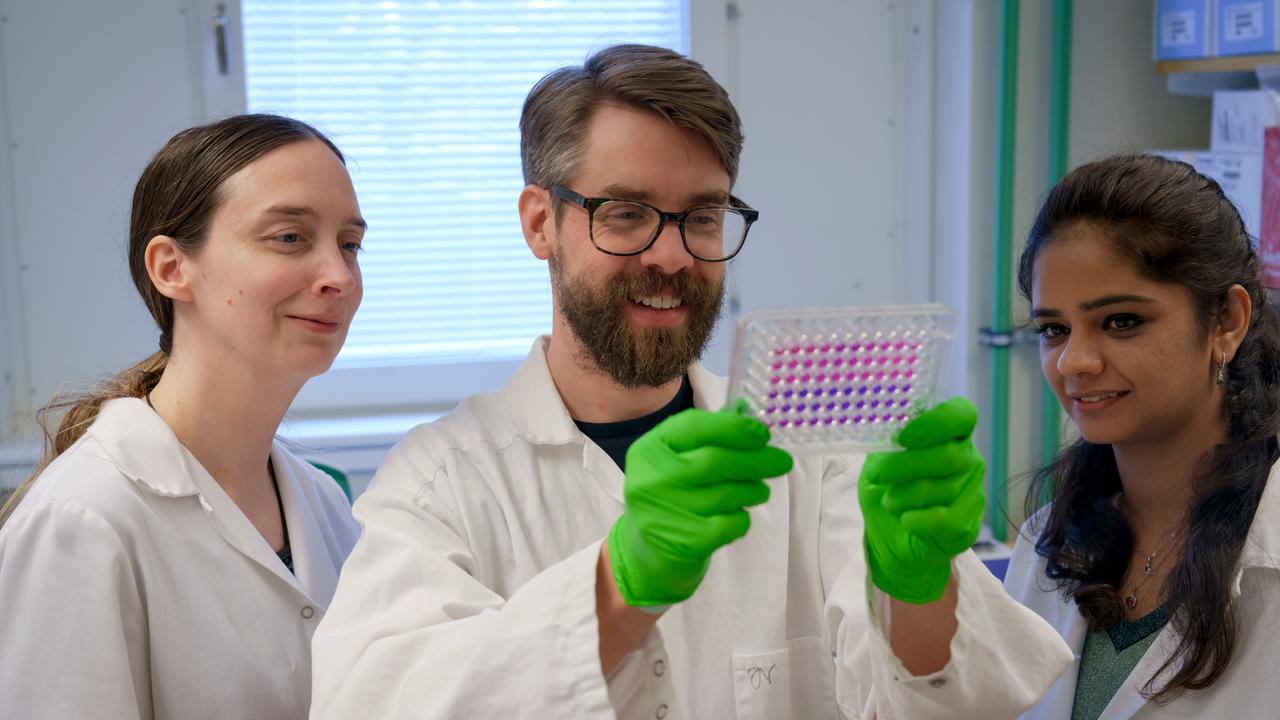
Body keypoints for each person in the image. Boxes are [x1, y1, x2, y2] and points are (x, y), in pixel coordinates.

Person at [312, 44, 1070, 719]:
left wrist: (917, 583)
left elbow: (949, 700)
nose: (671, 256)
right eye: (628, 213)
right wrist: (618, 585)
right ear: (541, 222)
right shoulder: (440, 481)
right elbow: (371, 700)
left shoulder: (811, 453)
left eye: (701, 217)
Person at [0, 114, 366, 718]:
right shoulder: (83, 520)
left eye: (349, 244)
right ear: (172, 267)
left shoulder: (323, 504)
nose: (338, 276)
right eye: (290, 238)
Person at [1005, 153, 1280, 718]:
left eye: (1121, 321)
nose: (1074, 362)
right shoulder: (1047, 542)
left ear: (1227, 320)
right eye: (1053, 330)